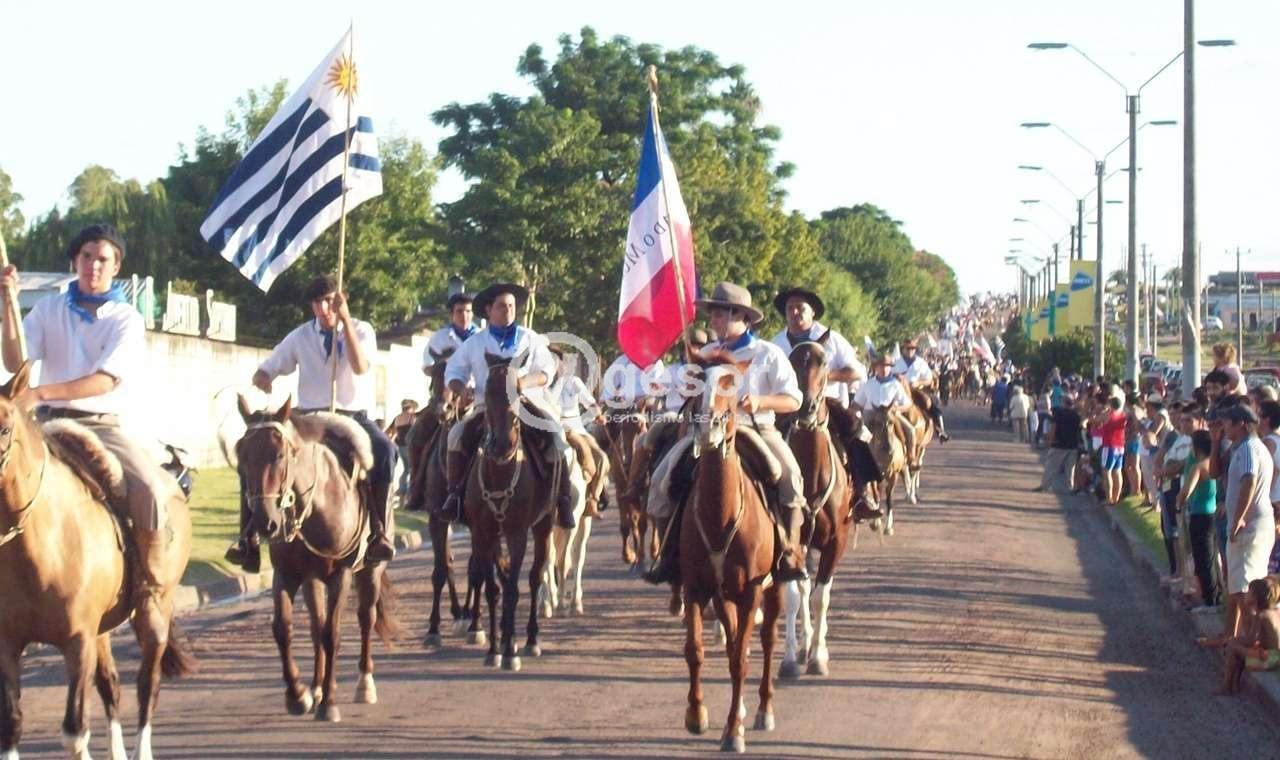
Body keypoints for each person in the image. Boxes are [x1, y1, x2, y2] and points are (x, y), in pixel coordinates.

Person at [0, 223, 183, 606]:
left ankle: (149, 585)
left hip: (101, 425)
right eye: (86, 257)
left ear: (116, 267)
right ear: (75, 260)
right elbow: (17, 363)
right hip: (46, 423)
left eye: (103, 259)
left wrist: (40, 392)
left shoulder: (126, 318)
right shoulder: (49, 308)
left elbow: (105, 380)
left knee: (149, 490)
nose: (93, 266)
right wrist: (7, 302)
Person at [227, 274, 399, 569]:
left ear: (341, 299)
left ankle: (379, 532)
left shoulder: (362, 330)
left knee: (384, 450)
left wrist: (346, 322)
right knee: (256, 453)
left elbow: (360, 366)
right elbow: (269, 367)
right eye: (317, 303)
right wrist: (263, 377)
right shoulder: (300, 336)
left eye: (329, 301)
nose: (324, 308)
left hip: (350, 416)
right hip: (309, 417)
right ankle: (248, 538)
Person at [643, 282, 807, 584]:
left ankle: (789, 551)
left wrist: (761, 401)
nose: (713, 320)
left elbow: (794, 399)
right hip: (706, 432)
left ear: (740, 315)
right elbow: (684, 395)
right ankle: (668, 556)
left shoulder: (767, 353)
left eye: (718, 314)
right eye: (713, 314)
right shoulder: (704, 354)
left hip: (756, 428)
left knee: (791, 476)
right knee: (660, 481)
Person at [440, 283, 576, 530]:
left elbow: (547, 370)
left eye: (512, 306)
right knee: (455, 435)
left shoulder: (529, 338)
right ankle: (454, 495)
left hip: (525, 404)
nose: (509, 311)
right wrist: (462, 389)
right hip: (486, 407)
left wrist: (524, 382)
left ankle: (563, 498)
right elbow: (453, 372)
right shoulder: (475, 343)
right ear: (489, 310)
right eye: (502, 306)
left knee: (555, 432)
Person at [1202, 404, 1277, 648]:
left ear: (1241, 424)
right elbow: (1215, 473)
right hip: (1251, 525)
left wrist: (1238, 518)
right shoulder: (1244, 448)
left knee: (1246, 589)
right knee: (1236, 586)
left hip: (1249, 526)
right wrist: (1215, 443)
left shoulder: (1248, 448)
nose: (1224, 427)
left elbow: (1249, 482)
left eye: (1227, 423)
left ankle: (1251, 642)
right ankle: (1231, 636)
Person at [768, 287, 865, 408]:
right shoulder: (776, 344)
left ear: (812, 312)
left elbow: (857, 372)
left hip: (829, 405)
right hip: (787, 406)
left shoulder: (832, 339)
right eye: (790, 308)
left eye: (800, 307)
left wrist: (822, 376)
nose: (794, 312)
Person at [548, 345, 610, 518]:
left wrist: (597, 413)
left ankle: (593, 499)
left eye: (556, 361)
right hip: (549, 431)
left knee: (602, 459)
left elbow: (589, 401)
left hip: (575, 428)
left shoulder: (573, 382)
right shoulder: (541, 384)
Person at [1216, 577, 1280, 696]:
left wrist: (1233, 641)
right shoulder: (1275, 611)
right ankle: (1235, 684)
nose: (1245, 594)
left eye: (1248, 592)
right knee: (1238, 649)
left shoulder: (1260, 616)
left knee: (1233, 648)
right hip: (1275, 655)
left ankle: (1227, 686)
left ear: (1255, 598)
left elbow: (1251, 640)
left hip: (1269, 658)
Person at [1177, 429, 1218, 609]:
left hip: (1199, 514)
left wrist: (1178, 503)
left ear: (1197, 448)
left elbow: (1186, 491)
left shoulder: (1199, 467)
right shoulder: (1214, 464)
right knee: (1211, 558)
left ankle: (1209, 600)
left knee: (1202, 560)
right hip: (1213, 514)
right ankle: (1214, 596)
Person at [892, 339, 949, 442]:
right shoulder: (896, 363)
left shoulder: (921, 362)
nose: (911, 350)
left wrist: (918, 383)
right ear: (903, 349)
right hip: (898, 391)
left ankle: (940, 431)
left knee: (928, 403)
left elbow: (929, 379)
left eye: (913, 348)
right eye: (908, 348)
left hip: (916, 390)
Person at [421, 292, 477, 375]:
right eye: (459, 311)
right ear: (451, 314)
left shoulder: (482, 337)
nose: (464, 316)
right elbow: (427, 365)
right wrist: (441, 366)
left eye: (468, 311)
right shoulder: (440, 337)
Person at [1035, 395, 1082, 493]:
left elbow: (1053, 427)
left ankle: (1045, 485)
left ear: (1063, 402)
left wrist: (1050, 440)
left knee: (1051, 466)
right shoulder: (1076, 415)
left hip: (1059, 443)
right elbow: (1079, 430)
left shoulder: (1059, 413)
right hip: (1073, 444)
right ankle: (1070, 487)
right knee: (1070, 468)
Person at [1097, 397, 1127, 505]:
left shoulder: (1109, 414)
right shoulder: (1123, 414)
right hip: (1120, 446)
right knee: (1117, 471)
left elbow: (1096, 420)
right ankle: (1116, 497)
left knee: (1107, 471)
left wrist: (1104, 411)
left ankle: (1109, 498)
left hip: (1109, 445)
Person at [388, 399, 419, 501]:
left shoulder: (397, 418)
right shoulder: (411, 417)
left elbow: (392, 432)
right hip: (409, 446)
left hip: (400, 447)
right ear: (411, 408)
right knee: (411, 469)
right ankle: (409, 492)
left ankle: (402, 490)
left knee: (406, 469)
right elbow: (416, 431)